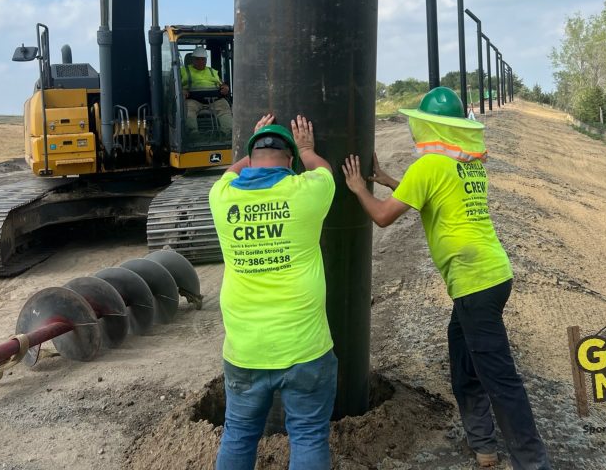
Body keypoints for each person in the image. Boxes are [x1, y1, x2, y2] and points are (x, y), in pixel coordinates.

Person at [342, 86, 552, 470]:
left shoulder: (428, 167)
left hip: (474, 283)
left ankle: (533, 462)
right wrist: (390, 180)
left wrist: (358, 189)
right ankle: (484, 446)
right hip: (493, 276)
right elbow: (432, 195)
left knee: (500, 379)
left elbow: (384, 216)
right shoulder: (466, 163)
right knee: (463, 360)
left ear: (429, 126)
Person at [209, 113, 337, 470]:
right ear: (291, 161)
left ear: (251, 158)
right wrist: (308, 149)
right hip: (305, 347)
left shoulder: (220, 197)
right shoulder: (306, 192)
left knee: (239, 432)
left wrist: (255, 139)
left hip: (245, 349)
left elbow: (231, 173)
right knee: (309, 433)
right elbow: (324, 171)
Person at [181, 46, 233, 134]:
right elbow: (175, 85)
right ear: (192, 59)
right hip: (193, 100)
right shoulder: (183, 71)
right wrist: (182, 90)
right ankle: (193, 135)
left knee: (225, 107)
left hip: (214, 99)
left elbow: (221, 83)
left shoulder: (212, 71)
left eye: (203, 59)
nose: (201, 62)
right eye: (198, 59)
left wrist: (226, 87)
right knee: (188, 110)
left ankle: (228, 134)